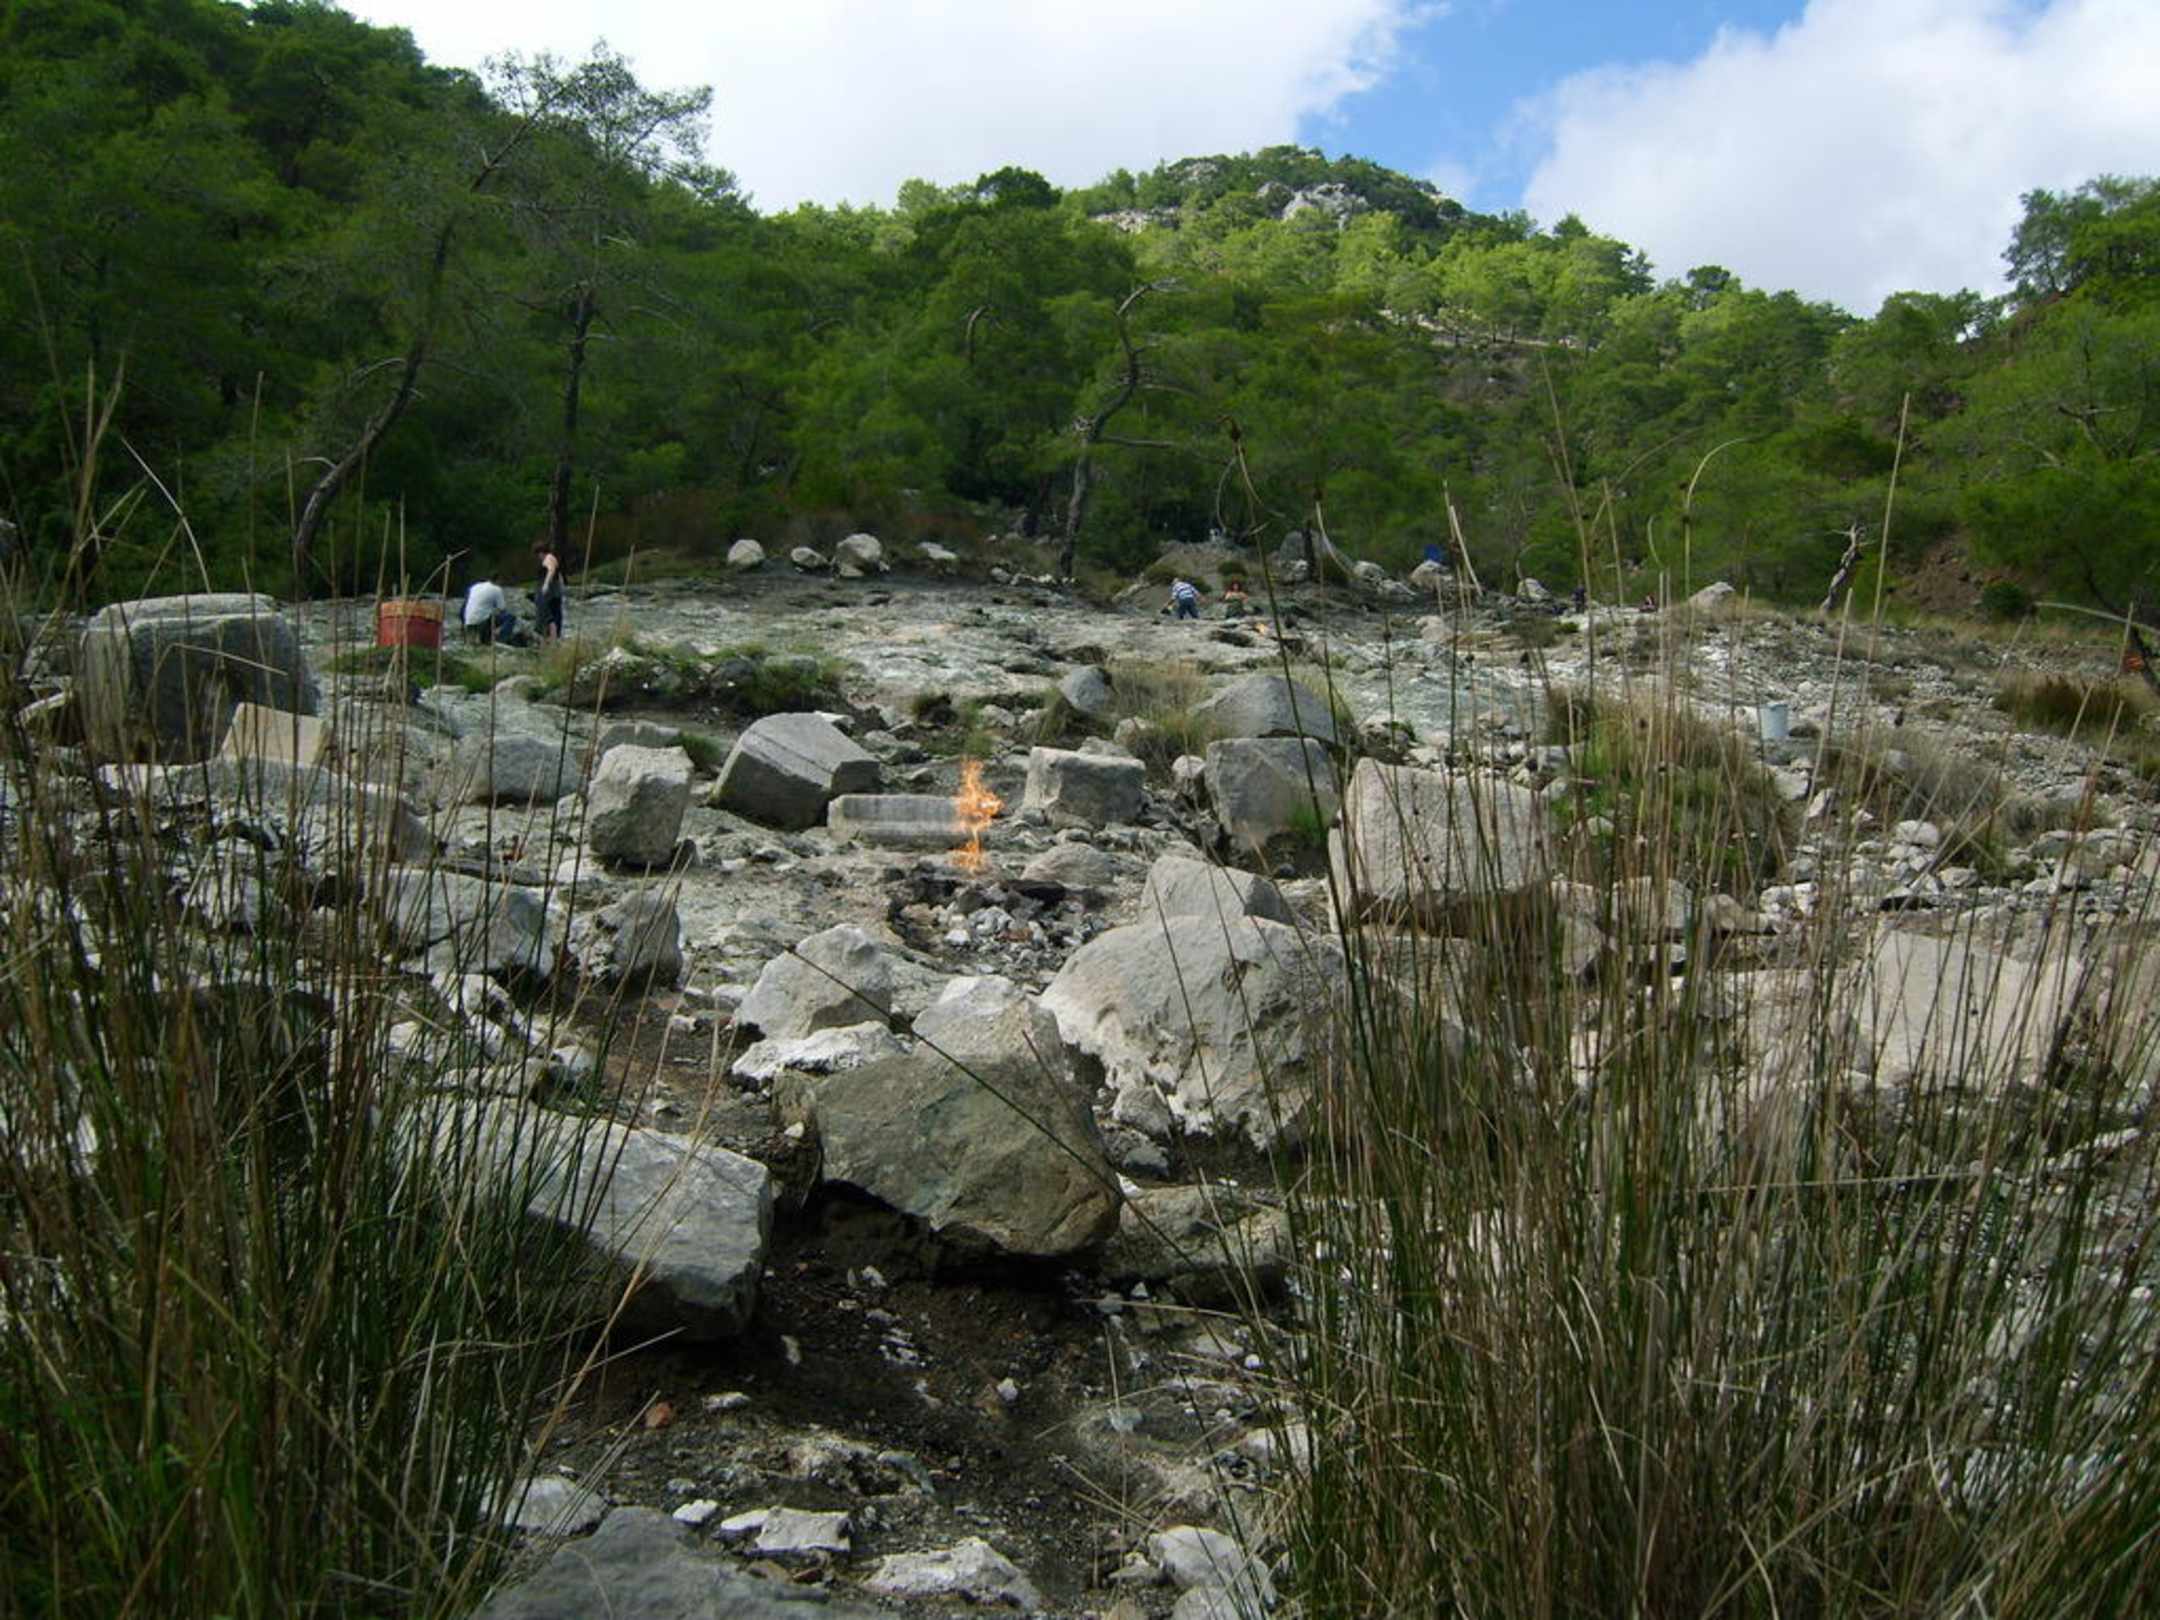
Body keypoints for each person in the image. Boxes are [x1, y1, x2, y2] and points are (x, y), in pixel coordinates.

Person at [462, 578, 507, 645]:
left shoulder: (474, 587)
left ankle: (474, 639)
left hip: (468, 619)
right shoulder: (496, 589)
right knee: (510, 618)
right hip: (482, 620)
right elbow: (502, 608)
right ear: (498, 580)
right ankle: (500, 639)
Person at [533, 549, 565, 640]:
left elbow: (551, 570)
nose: (538, 557)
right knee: (554, 614)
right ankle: (553, 637)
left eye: (538, 554)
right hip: (554, 591)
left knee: (549, 616)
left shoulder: (548, 558)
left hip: (549, 593)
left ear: (541, 552)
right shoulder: (552, 558)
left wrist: (546, 584)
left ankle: (552, 637)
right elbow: (559, 576)